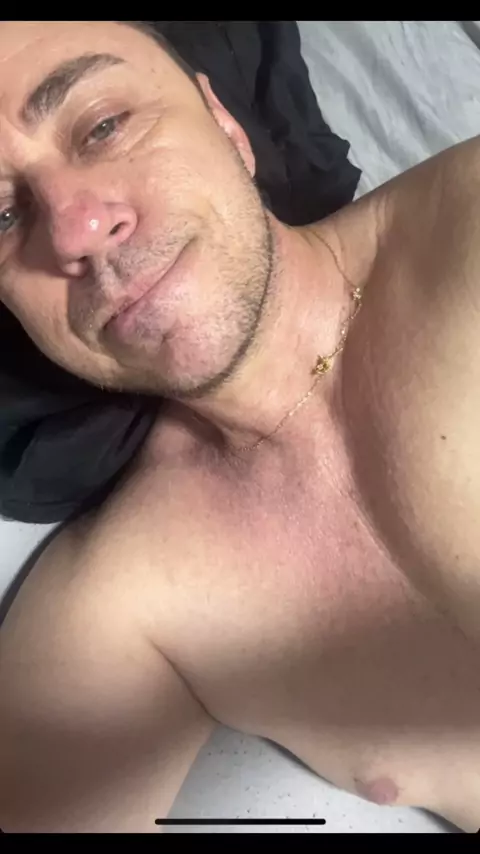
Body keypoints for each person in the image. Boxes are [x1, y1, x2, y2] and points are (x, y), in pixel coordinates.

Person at [0, 20, 479, 834]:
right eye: (3, 217)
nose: (76, 230)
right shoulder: (126, 607)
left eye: (103, 126)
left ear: (226, 125)